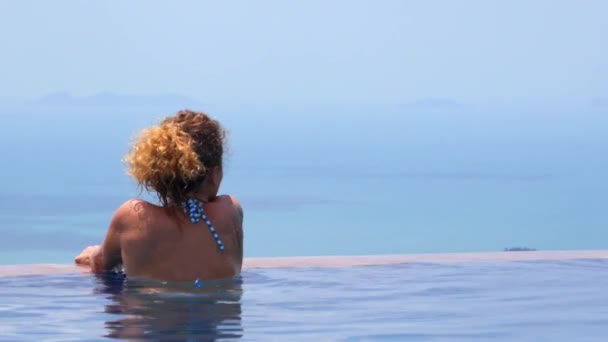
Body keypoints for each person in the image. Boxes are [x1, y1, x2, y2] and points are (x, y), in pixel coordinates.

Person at [75, 110, 244, 281]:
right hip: (218, 306)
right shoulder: (230, 212)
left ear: (157, 174)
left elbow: (101, 263)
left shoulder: (132, 218)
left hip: (154, 307)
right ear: (214, 176)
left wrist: (93, 254)